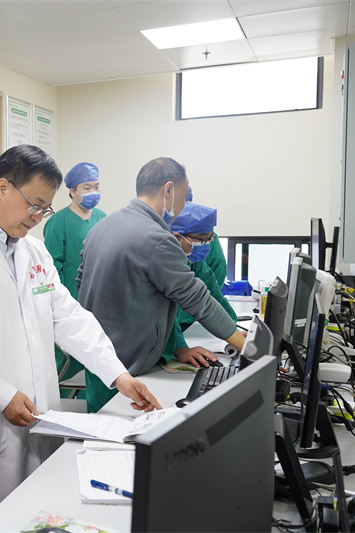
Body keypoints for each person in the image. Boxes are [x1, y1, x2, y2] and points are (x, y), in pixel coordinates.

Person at [0, 144, 161, 532]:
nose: (37, 216)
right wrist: (0, 394)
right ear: (2, 188)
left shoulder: (34, 252)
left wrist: (117, 374)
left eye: (44, 209)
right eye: (34, 205)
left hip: (37, 416)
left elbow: (68, 318)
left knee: (35, 514)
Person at [77, 157, 245, 413]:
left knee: (98, 428)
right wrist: (247, 346)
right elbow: (197, 299)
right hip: (129, 370)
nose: (184, 205)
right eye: (184, 196)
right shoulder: (157, 239)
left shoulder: (102, 226)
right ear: (168, 190)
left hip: (101, 362)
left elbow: (81, 283)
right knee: (121, 433)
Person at [43, 162, 106, 397]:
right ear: (72, 191)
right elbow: (52, 267)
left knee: (95, 358)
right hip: (69, 302)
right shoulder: (58, 222)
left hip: (98, 301)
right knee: (68, 362)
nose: (93, 193)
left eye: (96, 187)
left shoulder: (103, 218)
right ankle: (61, 402)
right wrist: (63, 301)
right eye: (86, 188)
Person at [169, 202, 237, 333]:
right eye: (202, 240)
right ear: (177, 237)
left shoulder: (192, 259)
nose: (205, 245)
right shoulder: (161, 261)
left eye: (210, 239)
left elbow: (211, 291)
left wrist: (232, 327)